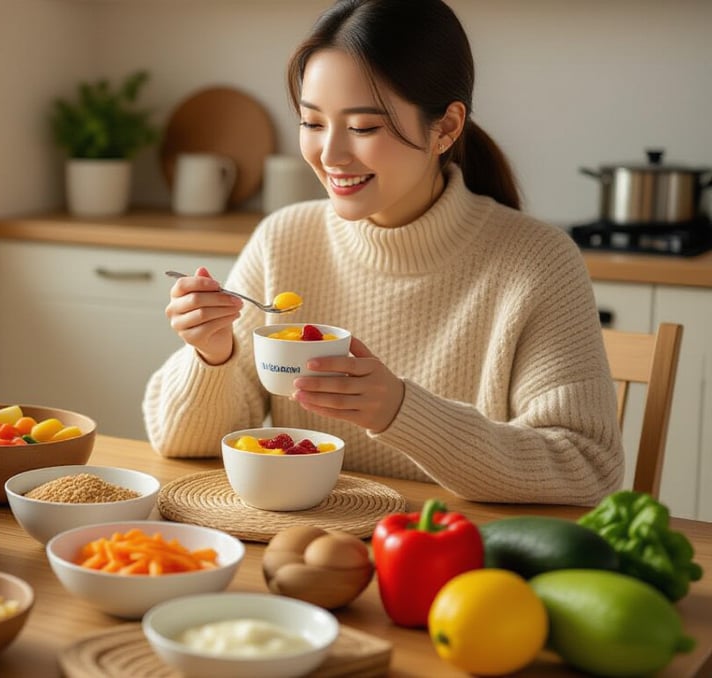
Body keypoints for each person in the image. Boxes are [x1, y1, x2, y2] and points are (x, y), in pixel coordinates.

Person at [143, 0, 623, 505]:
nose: (330, 155)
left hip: (457, 560)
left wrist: (400, 410)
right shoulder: (284, 238)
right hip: (303, 550)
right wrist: (212, 353)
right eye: (312, 123)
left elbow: (586, 466)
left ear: (446, 128)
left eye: (364, 128)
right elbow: (180, 443)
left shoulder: (537, 262)